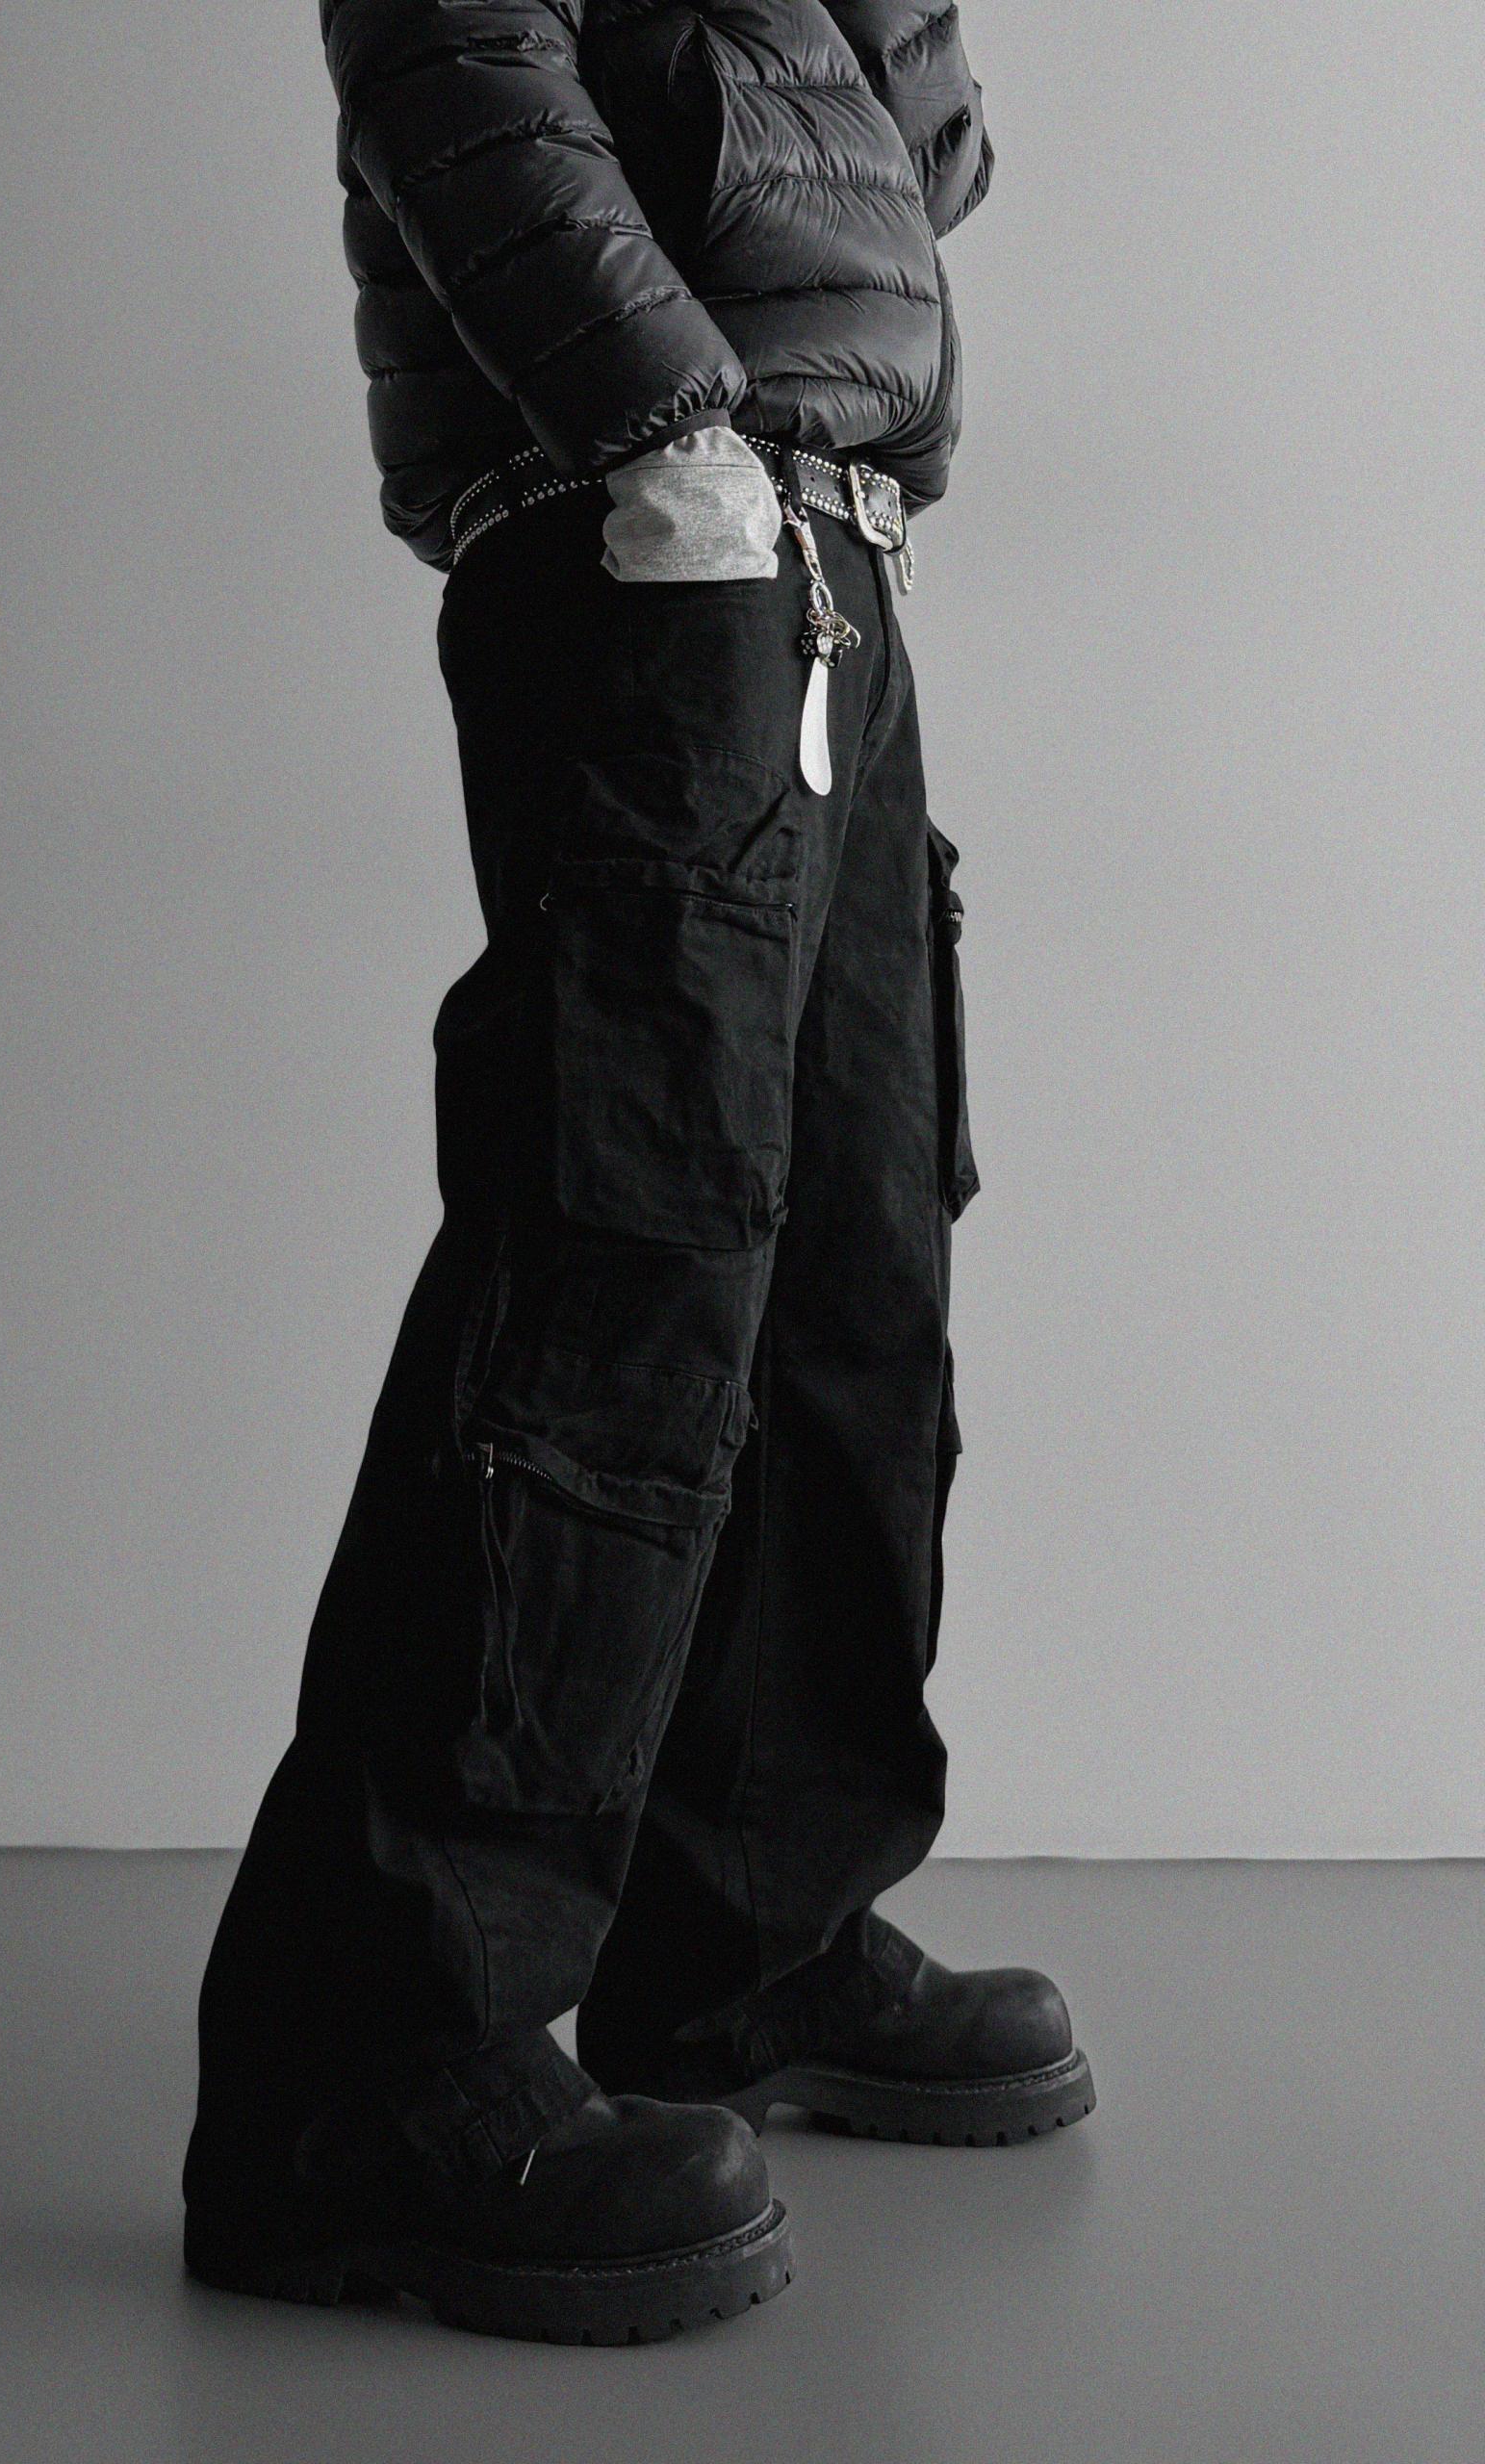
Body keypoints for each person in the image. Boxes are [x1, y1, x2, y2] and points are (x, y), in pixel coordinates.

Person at [183, 0, 1093, 2345]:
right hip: (654, 524)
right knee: (618, 1268)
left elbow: (909, 160)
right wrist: (663, 430)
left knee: (850, 1270)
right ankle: (363, 2061)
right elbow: (454, 59)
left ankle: (747, 1934)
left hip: (828, 553)